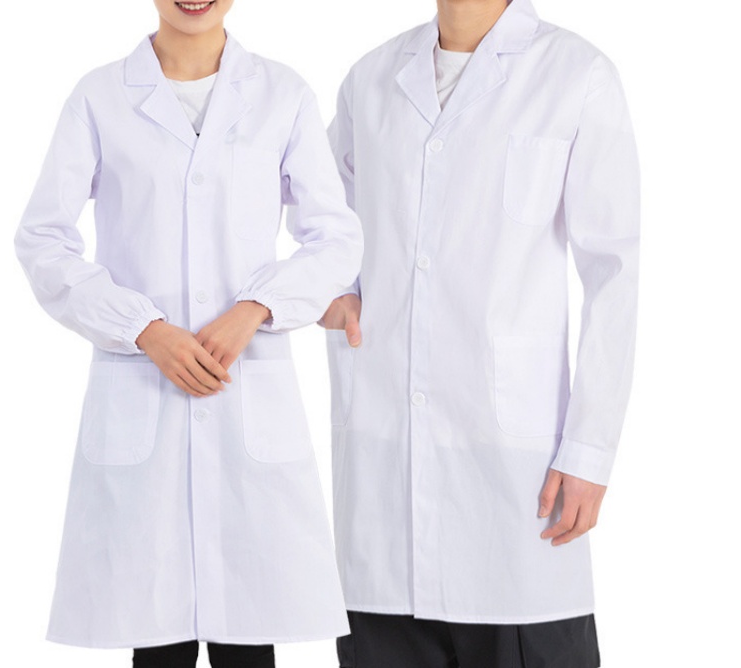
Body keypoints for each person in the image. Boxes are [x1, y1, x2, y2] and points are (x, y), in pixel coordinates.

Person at [14, 1, 363, 666]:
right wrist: (142, 328)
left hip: (246, 397)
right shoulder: (99, 97)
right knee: (157, 643)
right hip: (143, 394)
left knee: (249, 642)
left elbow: (336, 238)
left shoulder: (282, 95)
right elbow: (43, 240)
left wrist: (257, 306)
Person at [321, 0, 639, 666]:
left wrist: (588, 450)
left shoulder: (575, 74)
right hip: (383, 484)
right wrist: (330, 292)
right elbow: (323, 222)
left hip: (514, 483)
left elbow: (613, 275)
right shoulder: (370, 80)